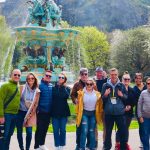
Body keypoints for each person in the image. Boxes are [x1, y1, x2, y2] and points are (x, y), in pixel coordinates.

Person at [71, 68, 97, 150]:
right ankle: (79, 145)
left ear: (87, 75)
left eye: (85, 74)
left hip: (91, 111)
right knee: (80, 129)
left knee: (91, 130)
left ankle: (89, 145)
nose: (84, 76)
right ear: (80, 75)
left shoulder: (93, 84)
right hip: (81, 111)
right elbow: (72, 95)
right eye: (82, 74)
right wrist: (75, 100)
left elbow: (97, 95)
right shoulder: (77, 84)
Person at [101, 68, 128, 150]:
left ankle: (123, 148)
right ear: (109, 75)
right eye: (112, 74)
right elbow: (102, 99)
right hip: (109, 113)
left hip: (119, 113)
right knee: (108, 133)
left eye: (115, 74)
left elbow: (126, 98)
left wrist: (121, 95)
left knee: (122, 132)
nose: (114, 76)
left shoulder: (122, 85)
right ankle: (107, 147)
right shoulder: (105, 85)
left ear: (117, 74)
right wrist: (105, 95)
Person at [76, 78, 103, 150]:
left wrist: (100, 115)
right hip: (84, 114)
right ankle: (81, 147)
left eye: (91, 84)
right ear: (85, 84)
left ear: (93, 85)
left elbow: (100, 106)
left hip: (93, 114)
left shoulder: (97, 94)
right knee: (84, 131)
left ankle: (92, 147)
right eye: (87, 84)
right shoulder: (81, 93)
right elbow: (78, 106)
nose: (89, 85)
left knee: (91, 131)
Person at [16, 73, 40, 150]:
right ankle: (21, 147)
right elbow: (17, 100)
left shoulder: (37, 91)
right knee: (19, 132)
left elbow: (36, 104)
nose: (30, 80)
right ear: (26, 80)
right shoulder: (22, 88)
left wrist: (31, 114)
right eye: (29, 79)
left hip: (30, 113)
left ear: (34, 79)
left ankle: (27, 148)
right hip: (20, 112)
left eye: (32, 78)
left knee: (29, 133)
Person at [0, 69, 21, 150]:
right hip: (7, 115)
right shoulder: (5, 86)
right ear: (11, 75)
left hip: (15, 115)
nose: (17, 76)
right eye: (15, 74)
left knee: (9, 135)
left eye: (19, 75)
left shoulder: (17, 86)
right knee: (3, 136)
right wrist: (1, 115)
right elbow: (0, 100)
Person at [115, 72, 135, 150]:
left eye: (128, 79)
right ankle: (117, 144)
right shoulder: (119, 88)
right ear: (122, 80)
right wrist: (123, 107)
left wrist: (130, 106)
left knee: (126, 128)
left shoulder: (131, 89)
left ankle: (125, 144)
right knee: (120, 128)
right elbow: (117, 100)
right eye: (125, 79)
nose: (126, 80)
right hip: (121, 112)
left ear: (130, 80)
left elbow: (133, 100)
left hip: (129, 113)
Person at [51, 73, 71, 150]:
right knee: (55, 130)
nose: (60, 79)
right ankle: (57, 145)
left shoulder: (67, 88)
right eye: (59, 77)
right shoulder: (53, 88)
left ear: (64, 79)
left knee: (63, 130)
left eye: (62, 78)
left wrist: (62, 87)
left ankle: (62, 145)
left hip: (63, 113)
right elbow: (54, 96)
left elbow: (66, 96)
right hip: (54, 112)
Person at [34, 70, 53, 150]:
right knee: (39, 129)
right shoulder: (39, 85)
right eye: (47, 75)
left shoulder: (51, 86)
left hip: (48, 112)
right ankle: (36, 146)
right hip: (41, 111)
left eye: (49, 76)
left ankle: (42, 144)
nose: (48, 77)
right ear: (43, 76)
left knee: (45, 128)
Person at [133, 73, 147, 148]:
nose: (138, 79)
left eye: (139, 78)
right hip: (139, 111)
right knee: (141, 127)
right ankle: (142, 142)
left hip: (147, 110)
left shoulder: (146, 86)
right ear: (135, 79)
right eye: (136, 78)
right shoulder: (134, 89)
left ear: (142, 79)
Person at [94, 67, 107, 143]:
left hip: (104, 106)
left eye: (100, 72)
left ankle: (105, 141)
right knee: (94, 125)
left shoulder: (106, 81)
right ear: (96, 73)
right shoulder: (93, 81)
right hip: (95, 107)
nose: (99, 74)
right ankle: (95, 141)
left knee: (105, 125)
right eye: (97, 72)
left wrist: (106, 77)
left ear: (103, 72)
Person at [138, 77, 150, 150]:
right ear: (146, 84)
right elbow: (139, 105)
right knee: (145, 136)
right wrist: (140, 116)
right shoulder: (143, 93)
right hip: (145, 118)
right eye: (148, 83)